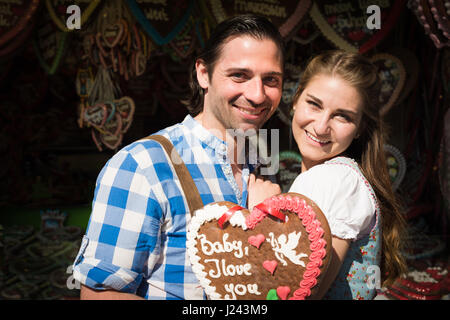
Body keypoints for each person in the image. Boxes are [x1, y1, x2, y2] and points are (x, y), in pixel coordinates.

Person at [72, 14, 283, 300]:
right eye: (239, 76)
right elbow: (101, 296)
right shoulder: (143, 166)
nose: (258, 95)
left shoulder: (262, 168)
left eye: (271, 80)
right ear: (203, 74)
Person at [287, 50, 408, 299]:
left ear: (361, 127)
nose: (321, 127)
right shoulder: (344, 175)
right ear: (296, 99)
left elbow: (301, 293)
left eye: (342, 116)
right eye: (314, 104)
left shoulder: (334, 180)